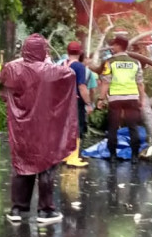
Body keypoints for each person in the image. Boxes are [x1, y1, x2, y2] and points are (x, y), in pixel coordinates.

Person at [0, 34, 77, 224]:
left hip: (20, 129)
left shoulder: (12, 69)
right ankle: (45, 210)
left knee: (21, 167)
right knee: (46, 167)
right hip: (44, 128)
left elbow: (1, 78)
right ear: (43, 51)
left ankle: (18, 208)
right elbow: (70, 75)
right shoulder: (52, 71)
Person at [97, 35, 146, 163]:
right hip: (132, 97)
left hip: (115, 98)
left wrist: (101, 99)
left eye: (114, 45)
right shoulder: (136, 63)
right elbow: (140, 83)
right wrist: (142, 99)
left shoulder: (110, 62)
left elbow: (106, 82)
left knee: (113, 127)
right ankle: (135, 156)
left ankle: (112, 156)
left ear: (119, 46)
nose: (112, 47)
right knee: (133, 127)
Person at [61, 41, 92, 167]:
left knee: (66, 127)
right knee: (76, 127)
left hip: (63, 100)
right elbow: (82, 86)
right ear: (80, 53)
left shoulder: (62, 64)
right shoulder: (79, 67)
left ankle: (65, 155)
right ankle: (73, 157)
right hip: (75, 100)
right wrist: (89, 103)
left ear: (67, 51)